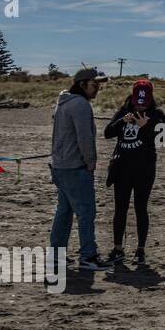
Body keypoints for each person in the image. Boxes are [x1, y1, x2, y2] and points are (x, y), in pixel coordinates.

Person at [50, 67, 112, 271]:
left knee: (64, 212)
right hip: (75, 167)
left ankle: (56, 256)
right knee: (86, 213)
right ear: (82, 84)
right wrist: (91, 162)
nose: (98, 89)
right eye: (95, 85)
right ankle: (88, 256)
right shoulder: (80, 105)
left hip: (60, 166)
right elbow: (84, 138)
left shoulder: (63, 102)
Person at [104, 79, 165, 265]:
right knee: (120, 209)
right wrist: (122, 121)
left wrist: (145, 127)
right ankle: (118, 248)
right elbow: (107, 133)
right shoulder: (124, 111)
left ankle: (140, 249)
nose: (140, 107)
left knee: (141, 208)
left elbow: (162, 141)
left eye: (144, 103)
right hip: (122, 167)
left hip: (144, 169)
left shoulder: (157, 114)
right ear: (132, 98)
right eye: (137, 103)